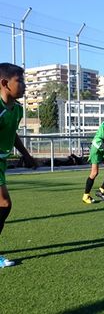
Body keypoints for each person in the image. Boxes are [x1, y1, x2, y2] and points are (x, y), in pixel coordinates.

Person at [0, 63, 37, 268]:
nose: (24, 86)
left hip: (1, 161)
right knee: (4, 204)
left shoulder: (17, 109)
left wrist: (26, 155)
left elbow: (12, 133)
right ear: (5, 83)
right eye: (19, 81)